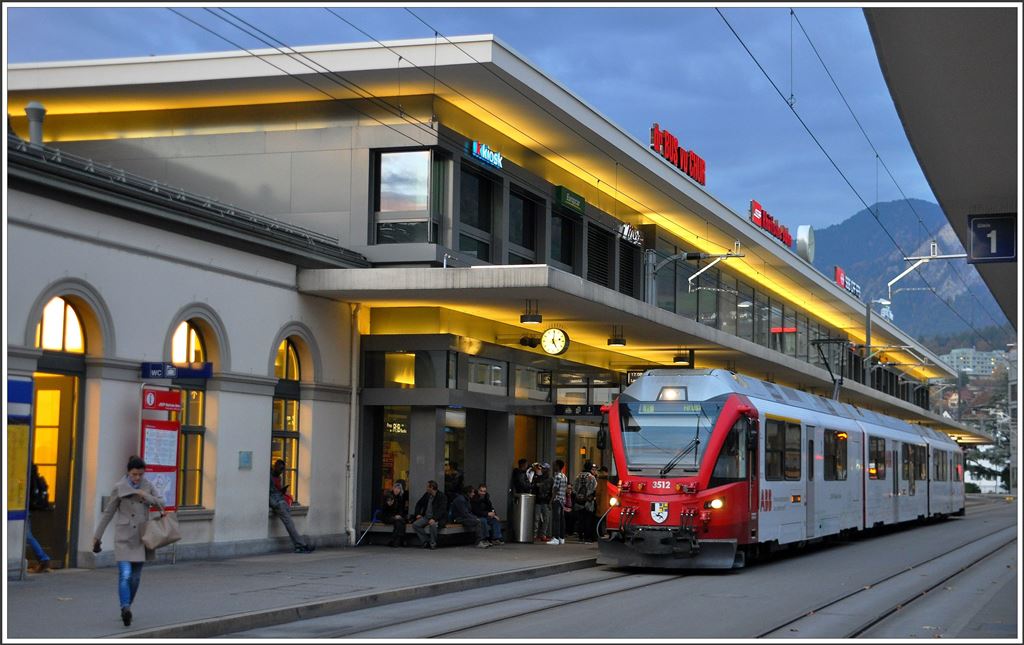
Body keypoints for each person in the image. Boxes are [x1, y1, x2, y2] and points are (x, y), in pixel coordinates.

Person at [92, 455, 166, 628]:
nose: (137, 478)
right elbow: (108, 513)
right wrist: (97, 536)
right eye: (134, 474)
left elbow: (162, 502)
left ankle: (128, 605)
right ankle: (125, 607)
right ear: (128, 472)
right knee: (125, 574)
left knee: (136, 577)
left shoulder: (148, 486)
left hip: (142, 537)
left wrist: (145, 495)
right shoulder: (119, 488)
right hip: (124, 537)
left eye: (140, 474)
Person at [270, 459, 314, 553]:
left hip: (280, 501)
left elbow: (276, 491)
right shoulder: (269, 477)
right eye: (280, 469)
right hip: (277, 503)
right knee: (290, 524)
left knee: (290, 524)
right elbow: (271, 493)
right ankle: (301, 544)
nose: (281, 472)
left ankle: (300, 544)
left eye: (282, 470)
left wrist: (282, 491)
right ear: (275, 467)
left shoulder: (278, 477)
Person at [26, 464, 52, 573]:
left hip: (22, 509)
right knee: (28, 535)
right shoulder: (33, 475)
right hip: (27, 509)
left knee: (27, 535)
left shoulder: (26, 475)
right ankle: (43, 559)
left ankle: (44, 558)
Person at [412, 480, 447, 550]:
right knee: (415, 525)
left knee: (432, 524)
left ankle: (433, 543)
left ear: (432, 488)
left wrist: (434, 518)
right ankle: (425, 541)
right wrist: (418, 514)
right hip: (426, 517)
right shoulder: (427, 495)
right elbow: (419, 504)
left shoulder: (442, 496)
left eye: (427, 487)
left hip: (438, 518)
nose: (426, 488)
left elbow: (442, 510)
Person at [573, 461, 598, 543]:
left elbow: (574, 488)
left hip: (579, 501)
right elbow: (595, 489)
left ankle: (580, 537)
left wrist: (578, 496)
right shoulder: (592, 477)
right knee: (588, 520)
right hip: (588, 502)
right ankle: (587, 538)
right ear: (590, 468)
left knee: (580, 520)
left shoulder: (578, 476)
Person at [382, 481, 409, 548]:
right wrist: (389, 505)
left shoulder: (400, 498)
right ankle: (402, 540)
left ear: (400, 490)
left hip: (395, 517)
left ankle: (394, 541)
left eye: (398, 489)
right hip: (387, 516)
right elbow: (385, 508)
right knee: (400, 521)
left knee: (401, 521)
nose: (397, 490)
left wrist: (399, 515)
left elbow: (400, 510)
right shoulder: (389, 496)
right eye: (395, 488)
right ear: (393, 489)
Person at [532, 463, 553, 542]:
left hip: (545, 501)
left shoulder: (550, 479)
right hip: (539, 500)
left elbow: (552, 491)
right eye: (543, 468)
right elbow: (534, 487)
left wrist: (550, 502)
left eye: (545, 469)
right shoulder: (538, 477)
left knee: (546, 519)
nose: (543, 470)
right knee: (536, 518)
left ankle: (542, 535)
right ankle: (535, 535)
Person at [549, 459, 568, 546]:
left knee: (556, 519)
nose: (553, 466)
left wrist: (551, 500)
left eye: (554, 465)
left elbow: (555, 489)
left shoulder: (557, 476)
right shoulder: (564, 476)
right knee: (561, 519)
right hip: (562, 500)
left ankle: (555, 538)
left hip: (557, 499)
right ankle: (561, 538)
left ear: (558, 466)